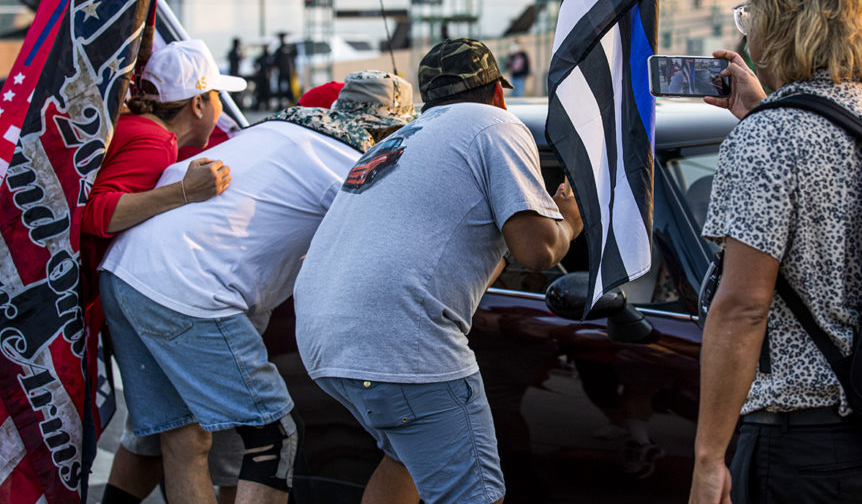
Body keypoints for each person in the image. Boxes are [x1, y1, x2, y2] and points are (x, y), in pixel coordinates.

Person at [98, 71, 416, 504]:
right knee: (274, 437)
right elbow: (390, 251)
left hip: (123, 270)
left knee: (181, 437)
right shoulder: (353, 162)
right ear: (391, 128)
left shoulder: (277, 127)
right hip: (188, 289)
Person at [293, 38, 584, 504]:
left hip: (325, 342)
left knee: (404, 460)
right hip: (402, 346)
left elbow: (457, 261)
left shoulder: (400, 141)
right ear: (498, 93)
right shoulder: (495, 125)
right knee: (474, 495)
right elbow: (539, 252)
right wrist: (569, 221)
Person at [689, 0, 862, 504]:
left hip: (801, 442)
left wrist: (709, 459)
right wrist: (760, 109)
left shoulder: (771, 138)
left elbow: (741, 309)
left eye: (751, 11)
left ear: (781, 18)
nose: (749, 26)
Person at [83, 38, 246, 504]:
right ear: (198, 103)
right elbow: (97, 212)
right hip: (112, 295)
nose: (219, 107)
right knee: (186, 436)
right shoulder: (154, 140)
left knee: (174, 435)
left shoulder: (142, 129)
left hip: (106, 295)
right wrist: (184, 193)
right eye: (215, 96)